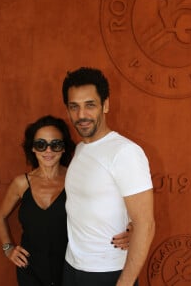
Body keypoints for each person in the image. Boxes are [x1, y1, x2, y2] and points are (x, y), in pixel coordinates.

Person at [0, 115, 130, 286]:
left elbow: (108, 203)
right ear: (33, 149)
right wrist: (8, 249)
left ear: (64, 148)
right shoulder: (21, 184)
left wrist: (131, 227)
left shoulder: (75, 178)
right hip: (29, 270)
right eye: (41, 144)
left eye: (55, 144)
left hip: (69, 269)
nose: (48, 151)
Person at [61, 67, 155, 286]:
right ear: (67, 110)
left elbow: (146, 224)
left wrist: (125, 283)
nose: (81, 115)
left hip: (107, 273)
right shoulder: (81, 149)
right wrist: (130, 224)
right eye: (74, 107)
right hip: (72, 266)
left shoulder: (125, 152)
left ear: (106, 105)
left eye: (90, 105)